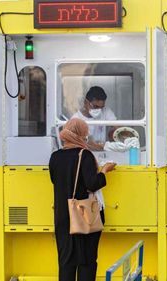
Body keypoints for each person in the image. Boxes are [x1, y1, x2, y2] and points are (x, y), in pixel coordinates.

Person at [49, 118, 116, 281]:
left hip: (63, 217)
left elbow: (55, 180)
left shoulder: (55, 157)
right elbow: (92, 184)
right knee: (86, 261)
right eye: (85, 135)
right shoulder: (84, 155)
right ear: (80, 135)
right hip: (85, 216)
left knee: (66, 263)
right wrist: (105, 171)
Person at [72, 86, 117, 150]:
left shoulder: (105, 111)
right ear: (86, 102)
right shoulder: (76, 119)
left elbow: (117, 127)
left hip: (102, 153)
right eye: (96, 106)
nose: (99, 110)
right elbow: (87, 143)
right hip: (83, 154)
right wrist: (105, 146)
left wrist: (115, 133)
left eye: (101, 107)